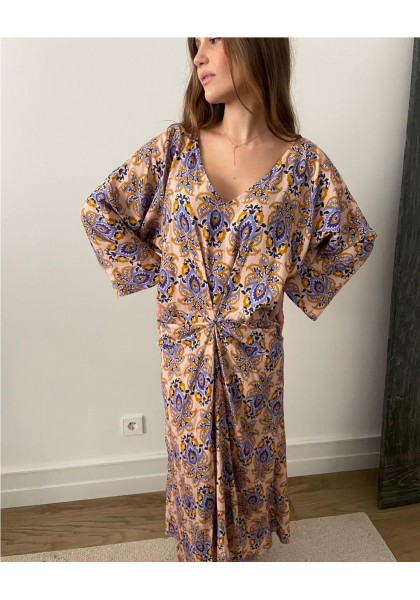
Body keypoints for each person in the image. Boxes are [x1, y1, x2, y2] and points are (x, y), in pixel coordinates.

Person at [80, 38, 378, 562]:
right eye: (195, 44)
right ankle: (199, 554)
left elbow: (352, 239)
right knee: (192, 456)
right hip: (186, 347)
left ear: (256, 43)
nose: (198, 56)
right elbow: (100, 210)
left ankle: (247, 553)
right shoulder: (174, 148)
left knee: (251, 452)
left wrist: (289, 288)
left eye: (213, 39)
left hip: (254, 350)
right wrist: (167, 277)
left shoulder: (304, 166)